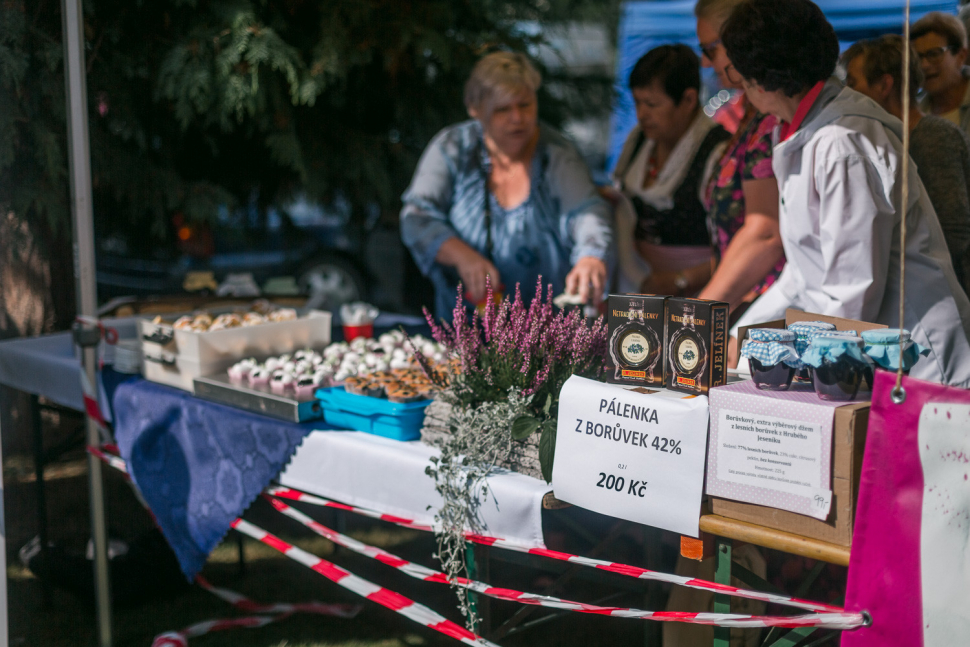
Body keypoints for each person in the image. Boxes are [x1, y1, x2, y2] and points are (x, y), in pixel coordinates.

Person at [721, 0, 970, 387]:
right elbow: (804, 273)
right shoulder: (801, 130)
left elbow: (852, 292)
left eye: (735, 72)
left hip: (919, 359)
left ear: (761, 77)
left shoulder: (842, 142)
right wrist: (745, 335)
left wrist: (782, 357)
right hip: (870, 346)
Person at [400, 52, 613, 320]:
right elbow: (416, 218)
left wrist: (591, 256)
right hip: (466, 325)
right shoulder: (451, 148)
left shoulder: (558, 155)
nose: (517, 118)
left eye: (525, 105)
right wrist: (463, 256)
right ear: (475, 110)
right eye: (502, 109)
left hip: (546, 329)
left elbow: (587, 210)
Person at [842, 35, 970, 296]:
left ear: (884, 85)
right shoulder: (883, 141)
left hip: (938, 297)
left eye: (853, 82)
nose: (847, 92)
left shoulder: (933, 136)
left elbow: (953, 234)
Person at [610, 44, 730, 296]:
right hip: (636, 284)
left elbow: (737, 248)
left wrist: (680, 280)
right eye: (637, 103)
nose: (641, 115)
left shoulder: (719, 153)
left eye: (652, 104)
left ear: (687, 99)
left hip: (699, 295)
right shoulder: (639, 140)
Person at [693, 0, 785, 319]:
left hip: (767, 311)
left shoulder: (770, 120)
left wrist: (699, 316)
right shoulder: (747, 115)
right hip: (740, 308)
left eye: (710, 50)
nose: (706, 64)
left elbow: (765, 231)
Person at [911, 12, 970, 134]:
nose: (924, 65)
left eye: (934, 54)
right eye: (918, 57)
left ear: (961, 56)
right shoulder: (915, 113)